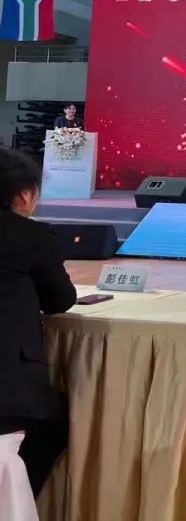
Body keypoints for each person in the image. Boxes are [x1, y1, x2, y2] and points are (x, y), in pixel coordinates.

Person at [0, 148, 77, 497]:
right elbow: (59, 300)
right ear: (23, 194)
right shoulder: (30, 235)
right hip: (9, 390)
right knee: (53, 424)